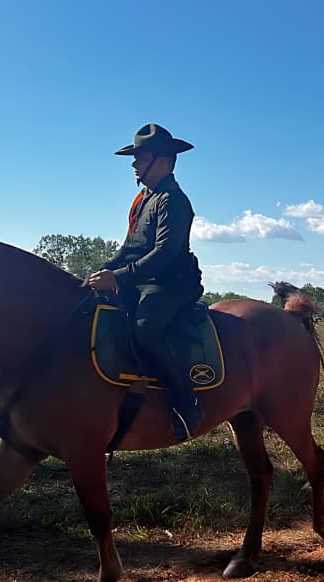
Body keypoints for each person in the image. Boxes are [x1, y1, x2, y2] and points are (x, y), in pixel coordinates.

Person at [88, 123, 204, 442]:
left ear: (163, 160)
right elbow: (130, 249)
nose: (134, 164)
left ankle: (185, 402)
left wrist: (119, 277)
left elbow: (165, 253)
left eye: (140, 157)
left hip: (172, 283)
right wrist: (101, 273)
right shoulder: (143, 199)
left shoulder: (174, 201)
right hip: (143, 279)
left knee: (143, 326)